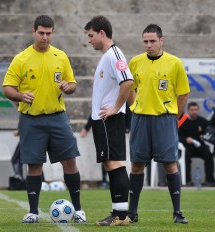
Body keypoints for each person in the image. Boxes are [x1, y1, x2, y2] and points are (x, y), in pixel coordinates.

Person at [3, 15, 86, 224]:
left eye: (49, 33)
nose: (45, 37)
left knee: (70, 161)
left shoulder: (61, 56)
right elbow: (7, 88)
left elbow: (73, 84)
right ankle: (32, 212)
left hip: (58, 118)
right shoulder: (21, 58)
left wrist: (69, 87)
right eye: (41, 33)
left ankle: (78, 210)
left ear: (53, 33)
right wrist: (21, 96)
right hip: (31, 120)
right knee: (34, 165)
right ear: (33, 32)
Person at [127, 24, 190, 224]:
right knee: (137, 165)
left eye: (152, 41)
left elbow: (183, 94)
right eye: (145, 41)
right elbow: (129, 87)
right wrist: (134, 105)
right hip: (140, 119)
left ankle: (177, 213)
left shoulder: (175, 63)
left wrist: (173, 117)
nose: (149, 45)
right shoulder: (135, 62)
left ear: (161, 40)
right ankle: (132, 212)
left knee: (170, 165)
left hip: (165, 120)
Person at [84, 15, 133, 226]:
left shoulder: (115, 54)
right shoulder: (107, 56)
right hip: (101, 119)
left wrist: (115, 108)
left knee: (114, 163)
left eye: (91, 35)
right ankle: (117, 212)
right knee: (109, 164)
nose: (89, 40)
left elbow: (128, 81)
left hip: (109, 119)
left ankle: (121, 215)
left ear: (102, 33)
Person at [179, 102, 215, 186]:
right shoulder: (183, 122)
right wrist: (185, 139)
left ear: (198, 110)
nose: (194, 112)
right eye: (192, 110)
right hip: (187, 147)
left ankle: (209, 180)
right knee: (185, 157)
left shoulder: (203, 121)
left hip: (200, 146)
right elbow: (177, 136)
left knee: (208, 155)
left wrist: (205, 136)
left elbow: (210, 132)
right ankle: (187, 180)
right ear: (188, 111)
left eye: (195, 110)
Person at [80, 115, 108, 188]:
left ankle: (112, 182)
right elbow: (94, 113)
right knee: (105, 159)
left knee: (115, 161)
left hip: (115, 132)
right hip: (104, 133)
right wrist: (86, 128)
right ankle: (104, 181)